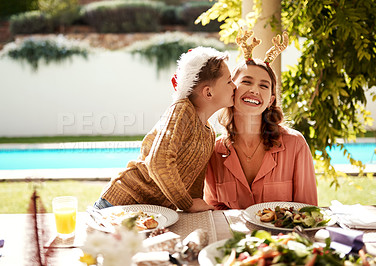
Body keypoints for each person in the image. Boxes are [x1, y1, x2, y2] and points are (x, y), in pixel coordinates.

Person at [95, 46, 236, 212]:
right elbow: (158, 161)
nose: (235, 86)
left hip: (151, 212)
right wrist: (188, 204)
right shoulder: (182, 111)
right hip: (122, 203)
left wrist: (196, 203)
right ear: (208, 93)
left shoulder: (209, 133)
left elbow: (195, 182)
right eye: (229, 81)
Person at [204, 30, 318, 210]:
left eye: (264, 86)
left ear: (270, 100)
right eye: (247, 82)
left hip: (284, 238)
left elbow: (308, 211)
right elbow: (213, 210)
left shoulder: (295, 144)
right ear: (232, 89)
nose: (255, 90)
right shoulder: (214, 150)